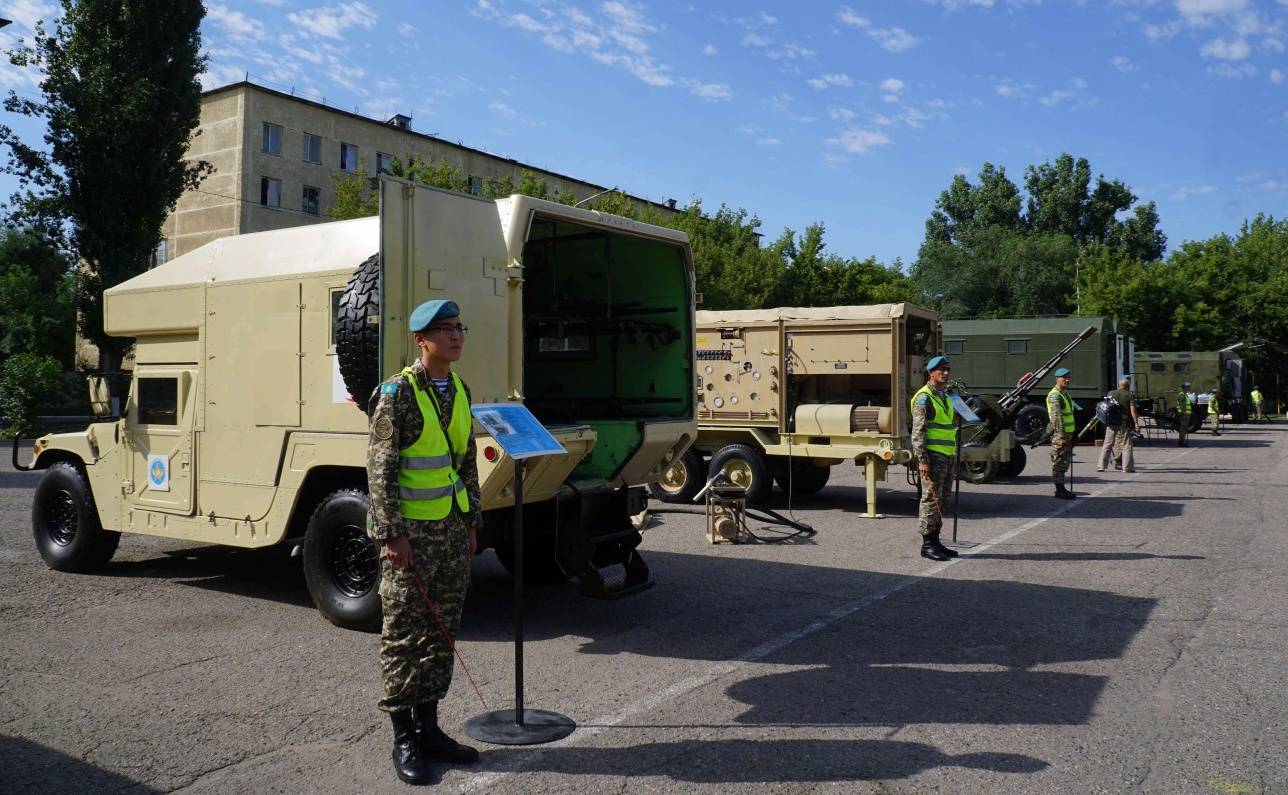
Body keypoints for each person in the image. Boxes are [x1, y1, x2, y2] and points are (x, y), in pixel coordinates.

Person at [366, 299, 482, 785]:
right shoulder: (398, 393)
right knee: (403, 637)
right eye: (445, 329)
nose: (456, 336)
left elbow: (466, 460)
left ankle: (431, 728)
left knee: (441, 634)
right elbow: (381, 467)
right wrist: (392, 533)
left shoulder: (459, 387)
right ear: (422, 339)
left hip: (451, 533)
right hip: (411, 539)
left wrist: (473, 520)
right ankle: (404, 737)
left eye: (459, 326)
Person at [910, 355, 959, 562]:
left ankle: (936, 540)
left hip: (946, 456)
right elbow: (918, 432)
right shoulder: (924, 397)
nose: (946, 373)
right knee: (930, 500)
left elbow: (949, 429)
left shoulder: (945, 396)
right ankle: (927, 544)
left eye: (948, 369)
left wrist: (953, 456)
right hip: (932, 457)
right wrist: (922, 459)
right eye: (941, 370)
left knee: (942, 500)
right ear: (931, 373)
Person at [1097, 377, 1138, 473]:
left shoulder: (1111, 393)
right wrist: (1136, 423)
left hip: (1111, 422)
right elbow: (1133, 410)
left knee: (1107, 444)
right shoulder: (1129, 395)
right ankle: (1127, 468)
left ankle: (1101, 466)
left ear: (1119, 385)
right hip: (1124, 423)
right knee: (1126, 445)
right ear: (1128, 386)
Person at [1047, 368, 1077, 499]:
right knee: (1059, 462)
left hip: (1068, 434)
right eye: (1064, 378)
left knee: (1064, 462)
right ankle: (1059, 490)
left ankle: (1062, 488)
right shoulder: (1055, 395)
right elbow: (1057, 418)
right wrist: (1061, 436)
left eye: (1068, 377)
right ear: (1057, 379)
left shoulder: (1065, 394)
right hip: (1061, 436)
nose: (1067, 380)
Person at [1174, 381, 1193, 447]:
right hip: (1184, 414)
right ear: (1184, 388)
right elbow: (1182, 406)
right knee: (1183, 428)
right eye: (1187, 387)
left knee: (1184, 428)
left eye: (1189, 387)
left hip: (1186, 414)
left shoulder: (1185, 395)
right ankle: (1181, 442)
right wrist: (1183, 413)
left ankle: (1182, 441)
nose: (1189, 388)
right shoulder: (1182, 395)